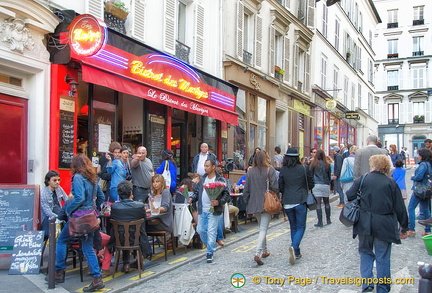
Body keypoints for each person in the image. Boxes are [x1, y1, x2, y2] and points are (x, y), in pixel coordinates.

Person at [346, 155, 408, 293]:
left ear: (372, 165)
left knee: (365, 252)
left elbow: (349, 195)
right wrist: (404, 226)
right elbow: (400, 207)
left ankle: (367, 284)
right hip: (384, 224)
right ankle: (383, 288)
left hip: (364, 223)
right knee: (383, 256)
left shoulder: (363, 179)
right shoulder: (390, 182)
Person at [54, 154, 105, 292]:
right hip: (91, 216)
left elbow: (79, 198)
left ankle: (59, 272)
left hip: (80, 218)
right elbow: (101, 197)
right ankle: (96, 278)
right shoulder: (93, 178)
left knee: (62, 240)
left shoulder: (77, 177)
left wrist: (68, 211)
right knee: (87, 246)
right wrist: (94, 210)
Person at [188, 159, 230, 263]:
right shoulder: (203, 179)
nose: (205, 168)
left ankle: (210, 252)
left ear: (213, 167)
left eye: (207, 166)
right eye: (204, 166)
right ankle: (211, 245)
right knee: (201, 230)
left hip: (214, 210)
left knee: (211, 231)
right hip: (203, 209)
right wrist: (192, 199)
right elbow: (197, 192)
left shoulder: (220, 179)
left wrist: (219, 202)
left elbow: (226, 194)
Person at [279, 147, 314, 265]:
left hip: (287, 201)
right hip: (300, 200)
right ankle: (294, 246)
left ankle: (297, 252)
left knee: (293, 227)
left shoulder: (283, 170)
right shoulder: (303, 168)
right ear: (297, 157)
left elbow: (281, 186)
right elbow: (311, 183)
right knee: (301, 227)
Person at [243, 151, 278, 265]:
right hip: (266, 203)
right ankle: (258, 253)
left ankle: (265, 250)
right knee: (263, 229)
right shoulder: (270, 170)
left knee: (262, 227)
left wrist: (247, 203)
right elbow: (274, 186)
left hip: (254, 204)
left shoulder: (250, 172)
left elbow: (246, 190)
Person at [109, 180, 151, 273]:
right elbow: (144, 219)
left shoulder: (114, 207)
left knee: (123, 233)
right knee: (134, 231)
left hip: (119, 239)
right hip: (136, 239)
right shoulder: (139, 206)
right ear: (131, 192)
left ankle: (126, 264)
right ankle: (138, 260)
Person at [407, 148, 432, 236]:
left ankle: (411, 229)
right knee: (426, 209)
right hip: (427, 189)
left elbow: (419, 177)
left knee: (411, 207)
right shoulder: (429, 164)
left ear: (421, 156)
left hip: (419, 189)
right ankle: (428, 230)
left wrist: (413, 177)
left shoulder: (423, 164)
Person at [40, 170, 68, 238]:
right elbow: (47, 211)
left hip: (60, 214)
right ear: (48, 181)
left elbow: (66, 200)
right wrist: (59, 218)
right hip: (50, 219)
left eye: (59, 180)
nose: (57, 182)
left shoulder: (59, 188)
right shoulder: (44, 193)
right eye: (54, 180)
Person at [309, 149, 332, 227]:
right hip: (325, 184)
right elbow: (329, 176)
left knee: (318, 204)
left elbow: (311, 175)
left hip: (316, 184)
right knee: (327, 203)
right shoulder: (327, 164)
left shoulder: (313, 164)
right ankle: (328, 220)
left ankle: (320, 222)